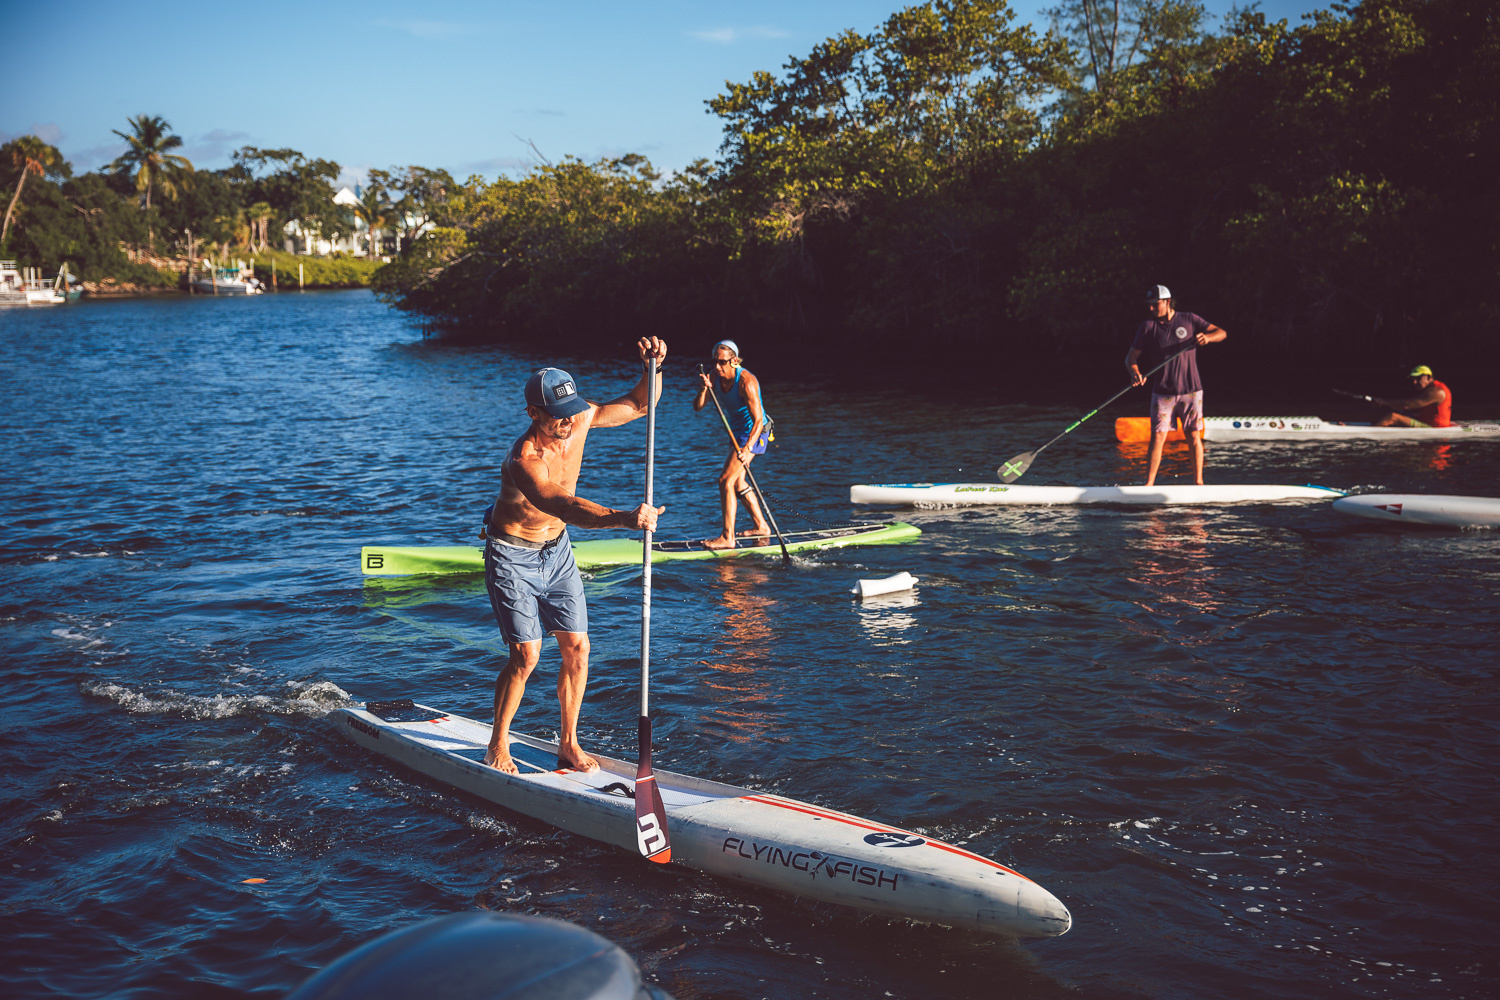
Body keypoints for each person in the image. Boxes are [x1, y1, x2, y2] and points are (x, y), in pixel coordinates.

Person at [480, 338, 668, 774]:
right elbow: (560, 504)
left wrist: (651, 369)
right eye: (557, 417)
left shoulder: (579, 415)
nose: (569, 423)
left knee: (578, 649)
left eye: (572, 412)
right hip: (513, 555)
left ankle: (568, 744)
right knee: (527, 655)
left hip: (558, 552)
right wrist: (623, 519)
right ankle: (497, 745)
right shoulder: (524, 459)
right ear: (534, 414)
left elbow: (640, 406)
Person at [1125, 285, 1228, 486]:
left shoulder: (1189, 319)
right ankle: (1149, 485)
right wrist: (1135, 373)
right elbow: (1131, 359)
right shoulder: (1148, 327)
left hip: (1192, 392)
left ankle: (1198, 483)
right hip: (1163, 394)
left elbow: (1222, 333)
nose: (1152, 309)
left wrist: (1207, 337)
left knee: (1193, 436)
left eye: (1156, 305)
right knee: (1158, 438)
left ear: (1167, 302)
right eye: (1150, 306)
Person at [692, 339, 771, 550]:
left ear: (734, 360)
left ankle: (727, 538)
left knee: (725, 481)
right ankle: (761, 526)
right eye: (715, 361)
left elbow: (757, 421)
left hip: (757, 431)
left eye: (722, 362)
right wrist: (703, 389)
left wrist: (747, 450)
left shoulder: (747, 381)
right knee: (737, 483)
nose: (717, 367)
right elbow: (698, 407)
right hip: (737, 432)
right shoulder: (714, 375)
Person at [1373, 366, 1452, 427]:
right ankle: (1376, 425)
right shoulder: (1432, 388)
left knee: (1393, 416)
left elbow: (1407, 405)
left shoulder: (1436, 392)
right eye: (1413, 379)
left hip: (1433, 427)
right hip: (1425, 421)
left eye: (1418, 378)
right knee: (1397, 414)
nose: (1414, 382)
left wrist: (1383, 402)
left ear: (1428, 377)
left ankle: (1371, 434)